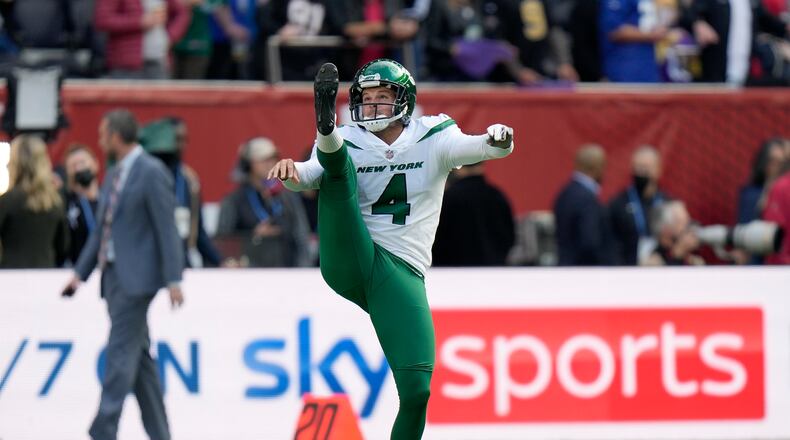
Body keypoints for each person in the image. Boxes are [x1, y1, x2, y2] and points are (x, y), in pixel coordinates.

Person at [268, 59, 514, 439]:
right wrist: (291, 171)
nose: (373, 105)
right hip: (351, 254)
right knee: (338, 172)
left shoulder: (434, 135)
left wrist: (499, 139)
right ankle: (324, 129)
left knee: (417, 391)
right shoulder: (351, 138)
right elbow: (307, 176)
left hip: (401, 270)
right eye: (366, 98)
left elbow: (484, 148)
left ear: (404, 100)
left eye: (383, 96)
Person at [61, 109, 185, 440]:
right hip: (112, 278)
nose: (100, 140)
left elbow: (166, 228)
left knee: (118, 355)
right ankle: (160, 433)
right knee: (140, 362)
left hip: (137, 280)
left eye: (103, 133)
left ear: (116, 135)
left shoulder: (151, 171)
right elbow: (102, 230)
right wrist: (80, 275)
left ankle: (103, 428)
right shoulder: (115, 174)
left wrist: (174, 278)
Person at [140, 117, 223, 267]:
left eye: (185, 140)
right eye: (176, 139)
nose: (181, 145)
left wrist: (221, 262)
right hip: (150, 263)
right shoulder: (146, 176)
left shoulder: (188, 180)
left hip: (181, 261)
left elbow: (199, 233)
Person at [217, 137, 312, 267]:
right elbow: (224, 241)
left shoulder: (287, 196)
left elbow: (301, 235)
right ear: (249, 164)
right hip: (250, 276)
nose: (271, 163)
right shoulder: (234, 200)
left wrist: (303, 270)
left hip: (288, 273)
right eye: (264, 160)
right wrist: (253, 237)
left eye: (273, 158)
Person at [0, 134, 69, 268]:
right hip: (46, 271)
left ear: (15, 162)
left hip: (11, 274)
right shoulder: (56, 201)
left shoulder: (7, 201)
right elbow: (63, 246)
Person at [432, 162, 515, 266]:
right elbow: (509, 238)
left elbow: (435, 241)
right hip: (494, 272)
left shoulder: (448, 198)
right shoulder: (497, 196)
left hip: (453, 274)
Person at [95, 0, 189, 79]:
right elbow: (103, 19)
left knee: (160, 100)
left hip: (159, 61)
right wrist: (139, 21)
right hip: (125, 65)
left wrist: (170, 36)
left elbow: (181, 12)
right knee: (126, 100)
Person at [553, 144, 613, 265]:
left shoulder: (565, 193)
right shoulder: (587, 199)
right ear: (596, 167)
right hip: (583, 271)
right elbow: (589, 241)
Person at [608, 145, 668, 265]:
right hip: (627, 271)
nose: (641, 173)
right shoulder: (617, 204)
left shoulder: (669, 203)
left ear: (658, 170)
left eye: (646, 168)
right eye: (638, 168)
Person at [62, 144, 101, 266]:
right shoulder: (64, 203)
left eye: (82, 163)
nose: (78, 169)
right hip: (75, 270)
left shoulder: (111, 200)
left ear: (95, 164)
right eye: (73, 166)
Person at [642, 200, 703, 265]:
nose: (690, 229)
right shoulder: (652, 262)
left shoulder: (693, 260)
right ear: (666, 230)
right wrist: (679, 253)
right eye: (683, 223)